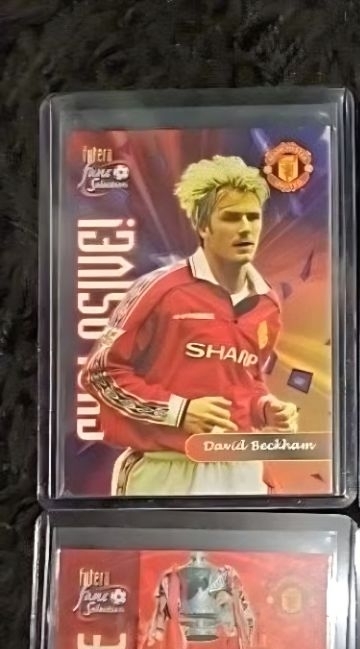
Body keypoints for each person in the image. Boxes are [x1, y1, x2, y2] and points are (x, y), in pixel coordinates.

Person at [81, 154, 298, 496]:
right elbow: (100, 374)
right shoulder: (160, 289)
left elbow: (246, 381)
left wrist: (265, 409)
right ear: (203, 226)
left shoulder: (267, 304)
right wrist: (178, 411)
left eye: (252, 217)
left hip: (240, 468)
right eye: (231, 217)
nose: (245, 228)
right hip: (165, 467)